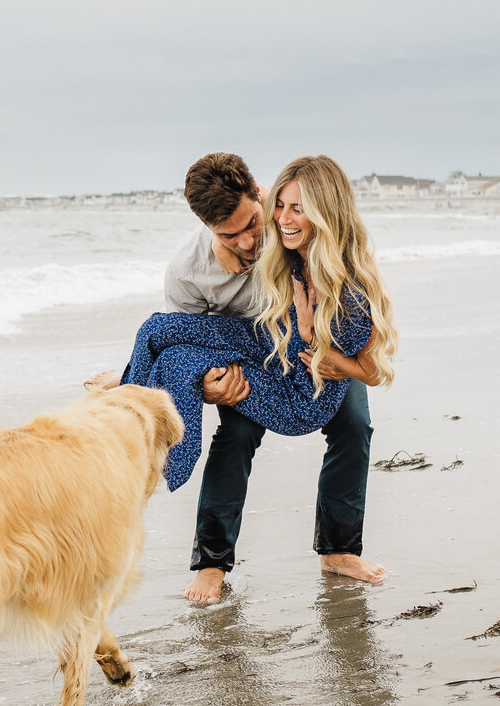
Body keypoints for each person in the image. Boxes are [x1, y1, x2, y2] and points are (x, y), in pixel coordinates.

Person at [99, 154, 396, 602]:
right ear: (207, 227)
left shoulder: (288, 222)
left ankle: (339, 551)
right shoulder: (187, 272)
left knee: (355, 424)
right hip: (247, 358)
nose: (248, 239)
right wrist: (208, 387)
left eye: (252, 224)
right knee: (235, 435)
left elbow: (366, 346)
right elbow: (193, 350)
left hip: (314, 353)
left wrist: (327, 349)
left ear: (259, 193)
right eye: (229, 234)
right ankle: (212, 563)